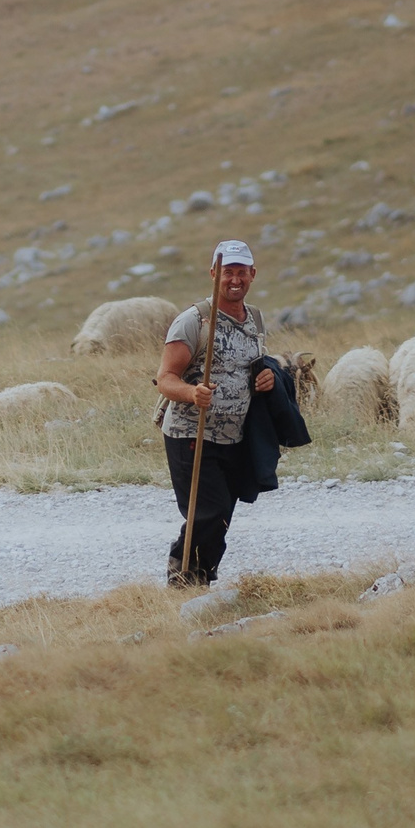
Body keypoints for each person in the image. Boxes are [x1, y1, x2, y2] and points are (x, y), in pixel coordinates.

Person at [154, 239, 280, 587]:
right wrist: (193, 393)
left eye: (242, 272)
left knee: (222, 514)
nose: (235, 279)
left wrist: (266, 378)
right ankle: (182, 578)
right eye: (228, 272)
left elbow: (249, 366)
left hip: (235, 435)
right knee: (206, 511)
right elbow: (165, 379)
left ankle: (202, 578)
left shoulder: (254, 318)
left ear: (253, 275)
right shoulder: (193, 321)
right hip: (190, 433)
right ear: (214, 274)